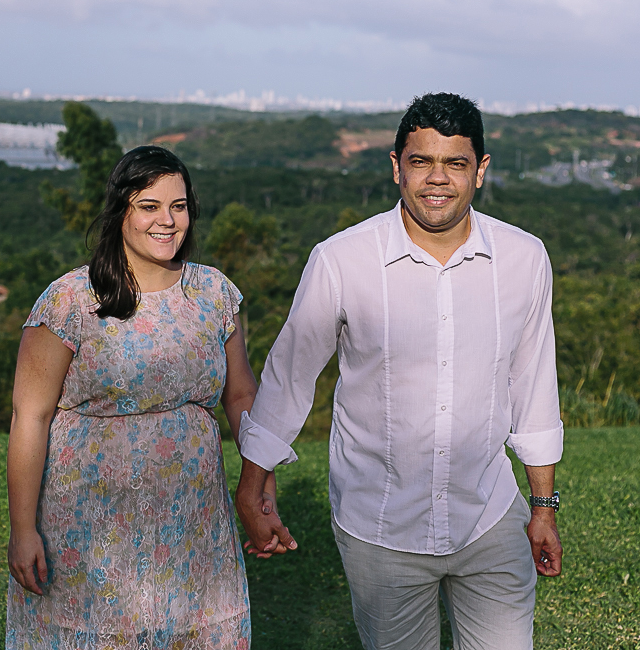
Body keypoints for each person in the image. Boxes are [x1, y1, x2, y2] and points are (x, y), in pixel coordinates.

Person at [235, 93, 564, 650]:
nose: (437, 180)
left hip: (490, 517)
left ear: (480, 171)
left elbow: (533, 389)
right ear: (396, 166)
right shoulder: (341, 260)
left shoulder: (524, 259)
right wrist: (252, 487)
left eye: (455, 163)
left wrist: (542, 507)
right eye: (421, 162)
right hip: (379, 527)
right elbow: (289, 378)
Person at [5, 145, 276, 650]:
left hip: (193, 526)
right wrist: (23, 529)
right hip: (88, 533)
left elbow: (242, 396)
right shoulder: (70, 301)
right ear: (120, 212)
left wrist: (262, 489)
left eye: (178, 206)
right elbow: (30, 416)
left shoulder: (214, 294)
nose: (167, 221)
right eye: (149, 206)